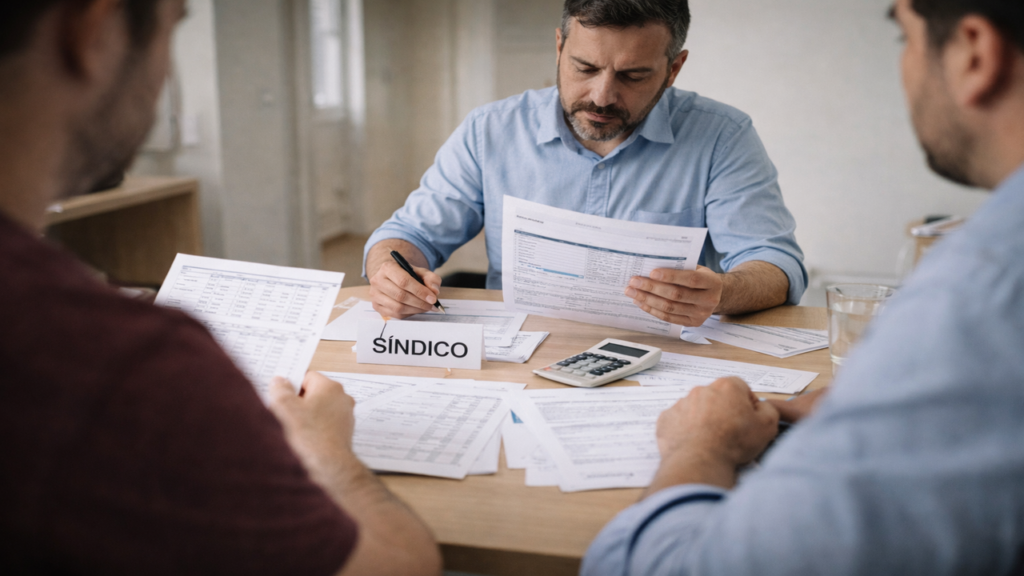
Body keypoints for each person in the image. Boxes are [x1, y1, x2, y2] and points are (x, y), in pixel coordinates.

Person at [581, 0, 1024, 573]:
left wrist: (701, 447)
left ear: (974, 54)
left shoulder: (981, 292)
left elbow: (665, 567)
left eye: (904, 39)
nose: (602, 94)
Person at [0, 1, 440, 574]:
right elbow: (401, 566)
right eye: (172, 30)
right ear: (96, 31)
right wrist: (330, 451)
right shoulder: (124, 363)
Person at [364, 0, 807, 328]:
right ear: (559, 48)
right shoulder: (490, 130)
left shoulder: (722, 136)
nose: (601, 96)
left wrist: (723, 292)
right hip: (519, 351)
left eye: (633, 76)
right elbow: (409, 235)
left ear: (674, 69)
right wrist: (390, 271)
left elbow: (775, 263)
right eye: (584, 67)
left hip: (664, 361)